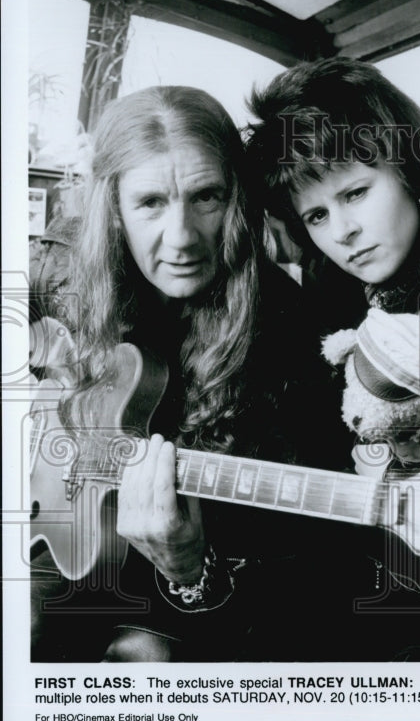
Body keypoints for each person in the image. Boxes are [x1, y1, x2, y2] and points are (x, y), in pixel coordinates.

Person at [30, 85, 356, 661]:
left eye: (206, 198)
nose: (180, 238)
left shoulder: (298, 343)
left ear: (239, 201)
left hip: (198, 596)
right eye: (151, 202)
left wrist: (189, 569)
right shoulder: (61, 273)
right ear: (113, 210)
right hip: (60, 534)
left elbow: (303, 592)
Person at [243, 57, 420, 660]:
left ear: (410, 166)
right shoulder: (334, 289)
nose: (344, 232)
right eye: (316, 215)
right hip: (389, 577)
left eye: (356, 192)